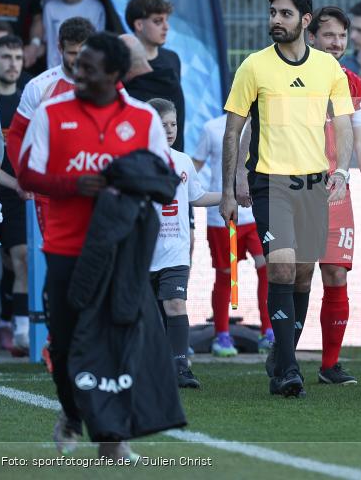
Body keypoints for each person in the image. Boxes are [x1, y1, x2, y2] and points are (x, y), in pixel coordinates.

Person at [17, 32, 170, 458]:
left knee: (118, 342)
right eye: (77, 64)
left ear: (115, 75)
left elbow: (161, 180)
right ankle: (70, 413)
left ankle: (111, 438)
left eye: (88, 68)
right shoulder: (51, 112)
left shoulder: (143, 119)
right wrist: (73, 184)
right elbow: (28, 176)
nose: (78, 74)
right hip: (66, 249)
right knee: (65, 344)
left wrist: (131, 187)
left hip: (121, 252)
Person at [220, 0, 354, 400]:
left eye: (284, 13)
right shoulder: (254, 66)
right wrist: (230, 187)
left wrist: (343, 171)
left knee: (302, 274)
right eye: (272, 13)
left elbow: (345, 124)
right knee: (279, 267)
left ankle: (282, 353)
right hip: (270, 182)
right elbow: (233, 130)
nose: (275, 20)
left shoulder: (329, 70)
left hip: (314, 183)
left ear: (305, 20)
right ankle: (290, 369)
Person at [289, 6, 361, 385]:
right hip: (296, 187)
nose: (337, 43)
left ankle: (329, 364)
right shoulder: (290, 76)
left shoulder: (352, 83)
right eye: (329, 36)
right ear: (311, 37)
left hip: (337, 190)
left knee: (335, 275)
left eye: (342, 37)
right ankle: (284, 358)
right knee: (298, 276)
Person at [146, 98, 219, 389]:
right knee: (148, 314)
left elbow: (197, 198)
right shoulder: (135, 159)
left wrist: (230, 196)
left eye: (173, 124)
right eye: (162, 124)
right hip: (142, 254)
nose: (169, 129)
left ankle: (180, 368)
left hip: (175, 252)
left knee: (176, 304)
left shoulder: (183, 161)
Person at [193, 113, 273, 357]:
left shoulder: (264, 122)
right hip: (223, 215)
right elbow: (195, 166)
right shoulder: (212, 128)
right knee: (226, 274)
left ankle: (268, 332)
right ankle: (222, 335)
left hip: (255, 212)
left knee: (267, 267)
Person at [5, 17, 96, 171]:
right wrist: (23, 176)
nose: (79, 60)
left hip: (90, 183)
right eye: (73, 53)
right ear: (60, 48)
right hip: (47, 187)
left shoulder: (108, 84)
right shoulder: (38, 86)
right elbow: (16, 136)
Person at [0, 35, 31, 356]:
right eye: (6, 57)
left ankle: (17, 329)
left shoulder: (29, 99)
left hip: (17, 194)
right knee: (6, 262)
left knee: (20, 259)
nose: (13, 63)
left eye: (18, 57)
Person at [124, 0, 185, 151]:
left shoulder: (172, 59)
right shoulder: (123, 60)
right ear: (139, 24)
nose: (166, 27)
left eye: (166, 20)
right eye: (158, 21)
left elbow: (177, 110)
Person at [43, 0, 106, 70]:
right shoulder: (50, 7)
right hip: (57, 70)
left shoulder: (95, 7)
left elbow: (97, 44)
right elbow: (51, 45)